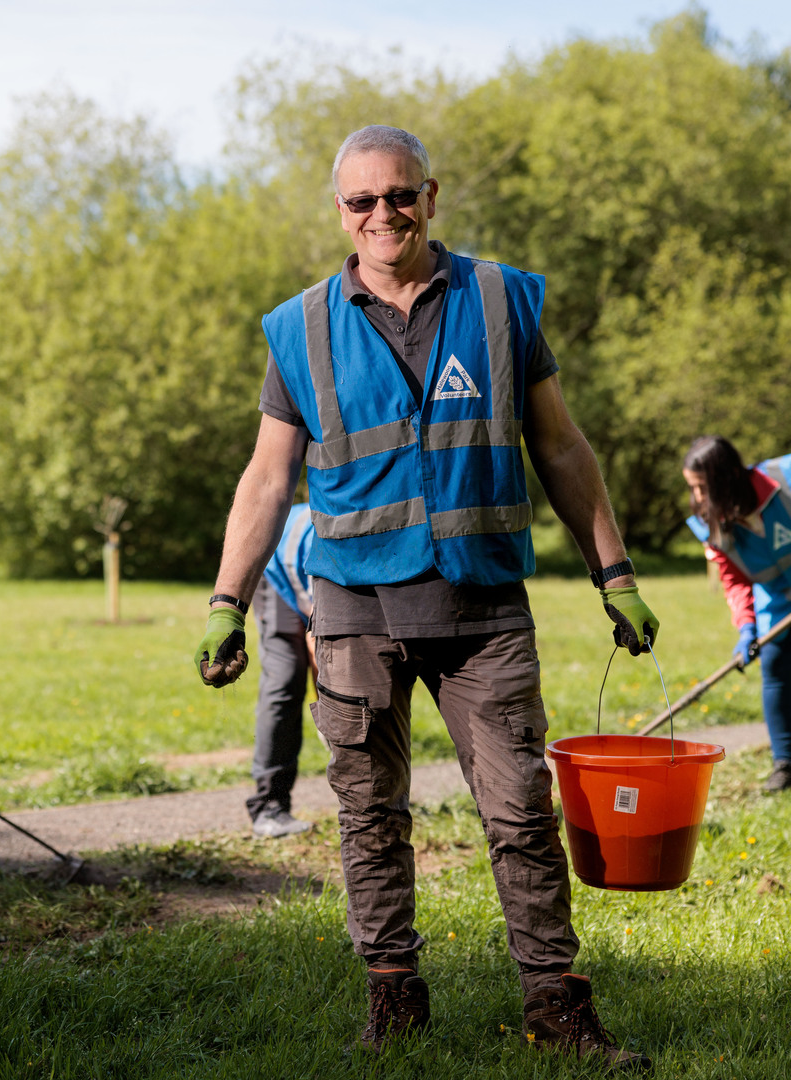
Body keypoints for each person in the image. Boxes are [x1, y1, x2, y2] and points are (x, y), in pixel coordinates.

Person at [194, 126, 658, 1069]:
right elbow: (267, 479)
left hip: (482, 606)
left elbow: (560, 445)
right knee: (370, 817)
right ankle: (395, 1002)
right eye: (362, 200)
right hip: (354, 611)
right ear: (340, 211)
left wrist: (615, 574)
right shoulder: (299, 328)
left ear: (430, 197)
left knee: (521, 813)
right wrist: (226, 602)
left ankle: (556, 1007)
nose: (384, 214)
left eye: (400, 195)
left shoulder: (502, 299)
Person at [683, 435, 791, 791]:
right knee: (774, 670)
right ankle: (785, 768)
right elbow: (734, 579)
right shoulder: (711, 522)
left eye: (703, 487)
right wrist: (747, 627)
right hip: (777, 597)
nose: (698, 498)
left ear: (729, 476)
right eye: (693, 488)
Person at [247, 502, 316, 838]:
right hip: (276, 567)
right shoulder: (322, 546)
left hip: (306, 570)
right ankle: (269, 806)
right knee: (285, 678)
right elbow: (320, 643)